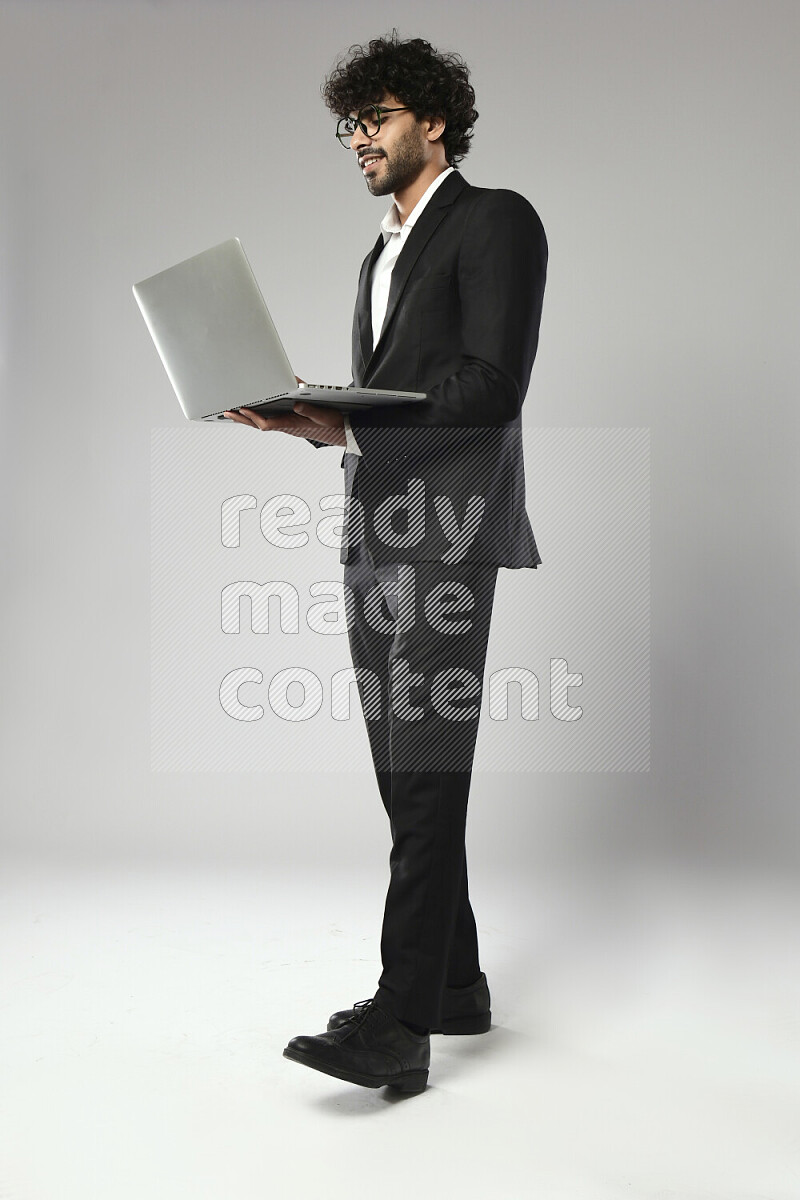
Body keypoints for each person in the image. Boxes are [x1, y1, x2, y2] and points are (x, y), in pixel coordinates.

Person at [224, 31, 547, 1093]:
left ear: (435, 121)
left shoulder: (493, 221)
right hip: (375, 530)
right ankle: (452, 985)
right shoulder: (377, 254)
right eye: (346, 124)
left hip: (449, 530)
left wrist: (343, 419)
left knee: (423, 769)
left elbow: (489, 387)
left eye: (375, 118)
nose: (355, 138)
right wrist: (310, 423)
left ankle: (399, 1021)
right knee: (400, 768)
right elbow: (398, 397)